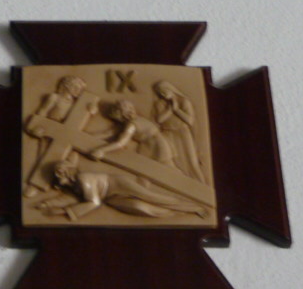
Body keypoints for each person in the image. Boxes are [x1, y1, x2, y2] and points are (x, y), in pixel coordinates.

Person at [36, 160, 206, 221]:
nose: (57, 180)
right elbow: (67, 199)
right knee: (141, 208)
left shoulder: (83, 180)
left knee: (151, 197)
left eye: (58, 174)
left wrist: (63, 212)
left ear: (65, 172)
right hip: (109, 198)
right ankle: (178, 212)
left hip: (117, 184)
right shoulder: (72, 187)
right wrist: (47, 204)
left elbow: (93, 203)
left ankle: (194, 206)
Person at [23, 76, 87, 197]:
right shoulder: (55, 98)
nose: (78, 91)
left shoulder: (77, 105)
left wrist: (90, 110)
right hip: (50, 133)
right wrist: (34, 127)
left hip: (68, 136)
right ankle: (36, 185)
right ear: (67, 86)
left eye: (80, 89)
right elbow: (42, 112)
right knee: (46, 159)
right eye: (76, 87)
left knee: (72, 159)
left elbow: (81, 117)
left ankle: (65, 186)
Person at [89, 99, 174, 166]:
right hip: (150, 148)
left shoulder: (132, 125)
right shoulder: (133, 122)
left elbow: (121, 143)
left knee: (165, 171)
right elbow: (108, 133)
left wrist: (101, 150)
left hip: (157, 149)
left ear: (120, 114)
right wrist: (88, 136)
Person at [152, 81, 206, 183]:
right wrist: (169, 110)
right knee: (176, 160)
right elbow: (159, 120)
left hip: (182, 132)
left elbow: (190, 120)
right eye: (160, 93)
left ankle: (201, 184)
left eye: (164, 91)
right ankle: (184, 184)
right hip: (168, 132)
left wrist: (176, 110)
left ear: (170, 89)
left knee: (191, 161)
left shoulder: (184, 101)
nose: (163, 94)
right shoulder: (160, 103)